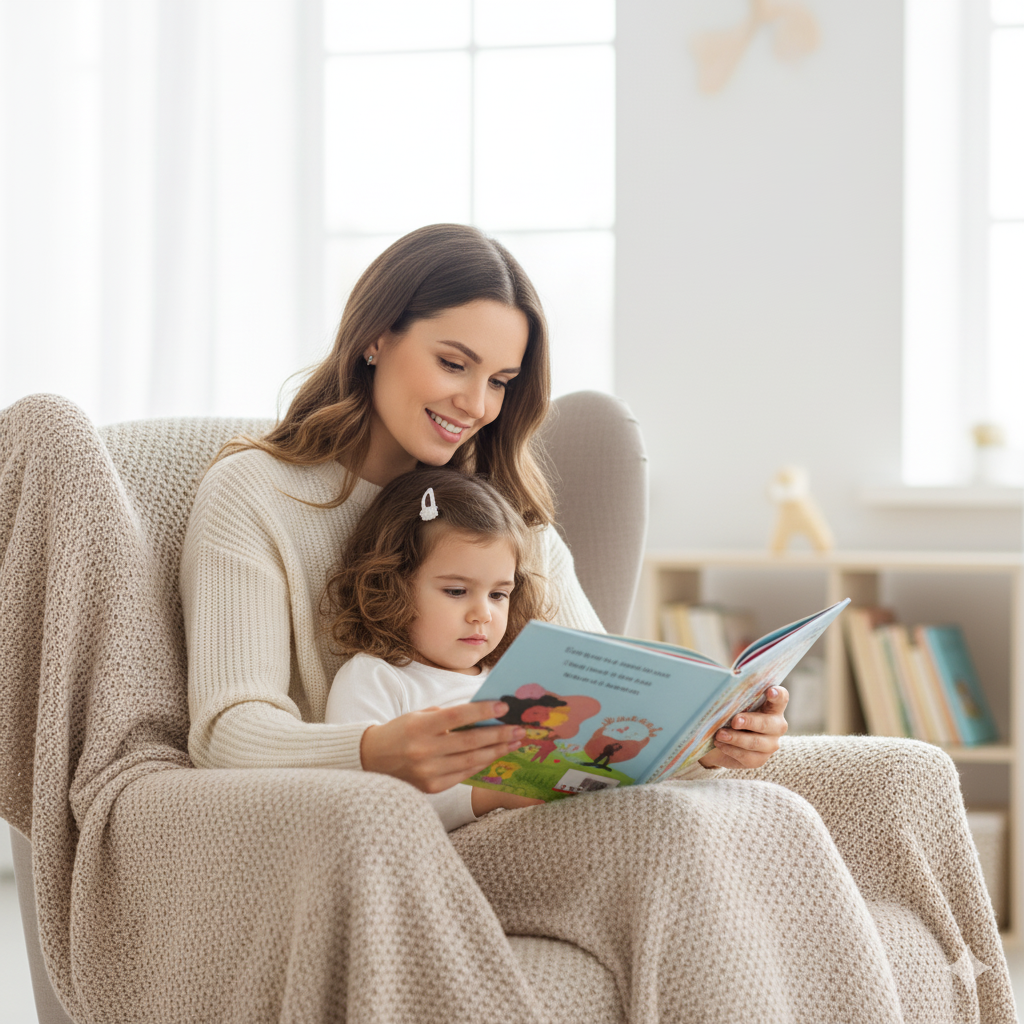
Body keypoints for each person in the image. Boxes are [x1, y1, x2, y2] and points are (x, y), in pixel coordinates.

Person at [179, 223, 1014, 1023]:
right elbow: (227, 731)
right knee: (675, 832)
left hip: (555, 803)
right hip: (420, 829)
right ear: (374, 338)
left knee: (882, 780)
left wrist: (709, 739)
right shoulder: (256, 495)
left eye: (501, 381)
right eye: (453, 363)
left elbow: (615, 693)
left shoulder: (504, 515)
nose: (475, 403)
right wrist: (377, 751)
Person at [322, 467, 552, 830]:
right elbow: (359, 804)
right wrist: (487, 796)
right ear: (393, 584)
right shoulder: (376, 677)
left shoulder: (513, 677)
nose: (483, 614)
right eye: (457, 591)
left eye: (498, 595)